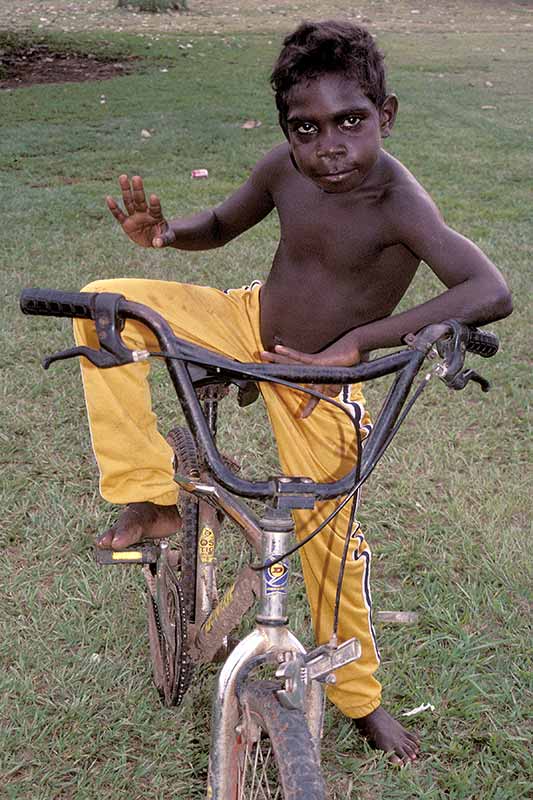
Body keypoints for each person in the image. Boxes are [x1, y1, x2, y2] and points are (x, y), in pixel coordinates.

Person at [74, 20, 512, 764]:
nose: (328, 146)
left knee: (331, 547)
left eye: (350, 121)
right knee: (102, 305)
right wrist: (168, 234)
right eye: (305, 129)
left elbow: (488, 289)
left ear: (387, 115)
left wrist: (358, 343)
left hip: (320, 379)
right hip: (246, 322)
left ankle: (359, 699)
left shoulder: (398, 200)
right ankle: (151, 497)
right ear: (286, 130)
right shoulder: (285, 169)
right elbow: (220, 223)